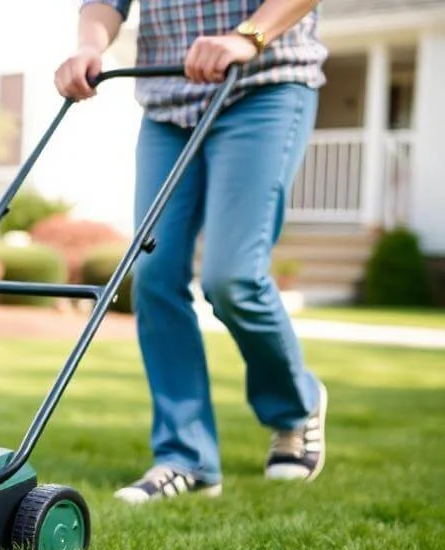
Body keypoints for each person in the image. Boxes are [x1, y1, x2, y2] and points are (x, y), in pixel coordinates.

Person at [54, 0, 329, 503]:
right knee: (154, 277)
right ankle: (188, 457)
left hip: (261, 87)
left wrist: (248, 36)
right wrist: (89, 47)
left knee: (233, 279)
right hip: (167, 103)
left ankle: (295, 409)